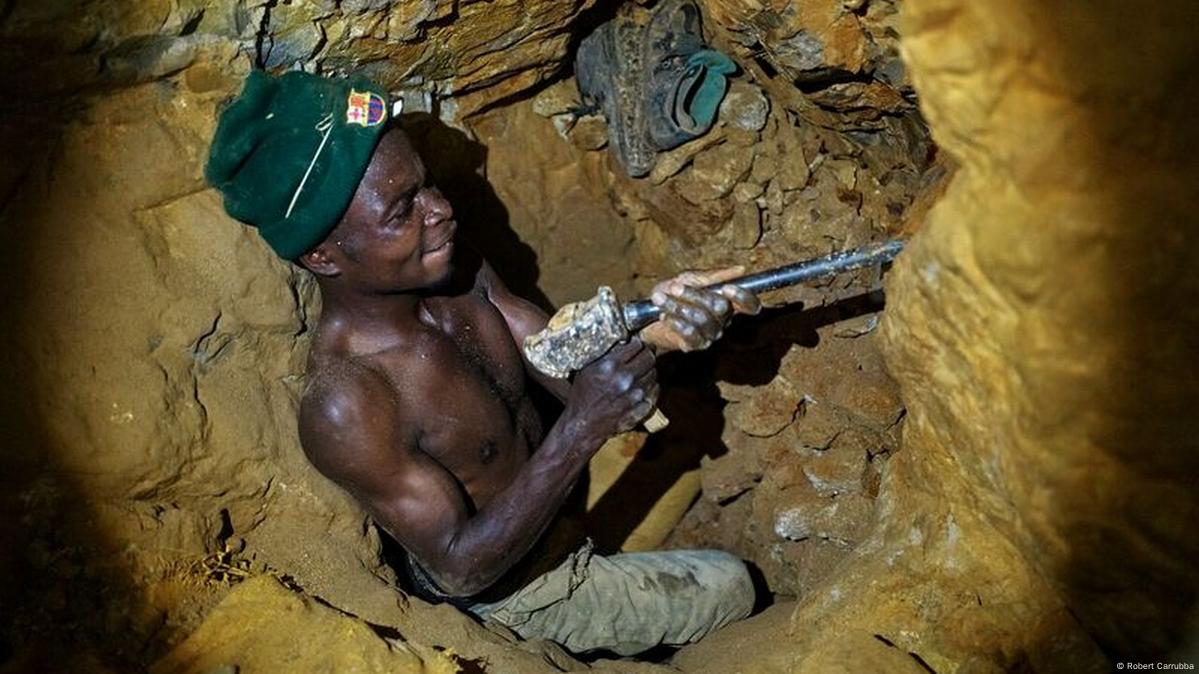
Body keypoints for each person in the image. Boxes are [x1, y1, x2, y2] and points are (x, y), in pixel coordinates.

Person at [206, 70, 762, 656]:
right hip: (518, 590)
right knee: (735, 585)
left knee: (687, 461)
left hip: (558, 510)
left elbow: (556, 358)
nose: (440, 210)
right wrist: (581, 431)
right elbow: (458, 569)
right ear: (322, 254)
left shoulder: (452, 268)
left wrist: (655, 326)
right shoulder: (350, 402)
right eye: (402, 212)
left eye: (427, 186)